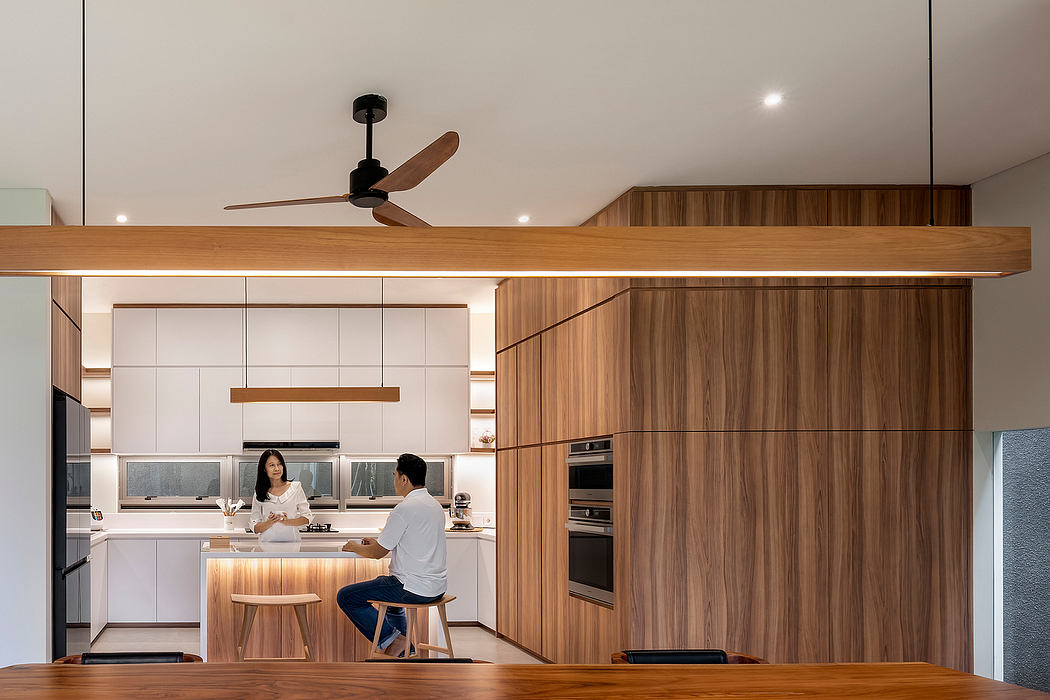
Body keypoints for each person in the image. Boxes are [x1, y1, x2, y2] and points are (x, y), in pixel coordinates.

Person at [337, 453, 447, 658]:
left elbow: (378, 554)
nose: (394, 480)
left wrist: (354, 547)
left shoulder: (404, 509)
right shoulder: (435, 506)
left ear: (404, 479)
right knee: (387, 592)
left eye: (395, 475)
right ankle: (405, 649)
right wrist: (377, 543)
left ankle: (395, 641)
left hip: (412, 588)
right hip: (436, 588)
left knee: (346, 596)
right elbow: (410, 543)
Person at [248, 449, 313, 542]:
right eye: (271, 465)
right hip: (267, 546)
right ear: (264, 469)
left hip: (292, 545)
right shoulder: (260, 492)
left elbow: (307, 518)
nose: (277, 469)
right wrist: (269, 522)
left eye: (279, 464)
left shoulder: (296, 488)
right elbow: (255, 528)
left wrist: (288, 522)